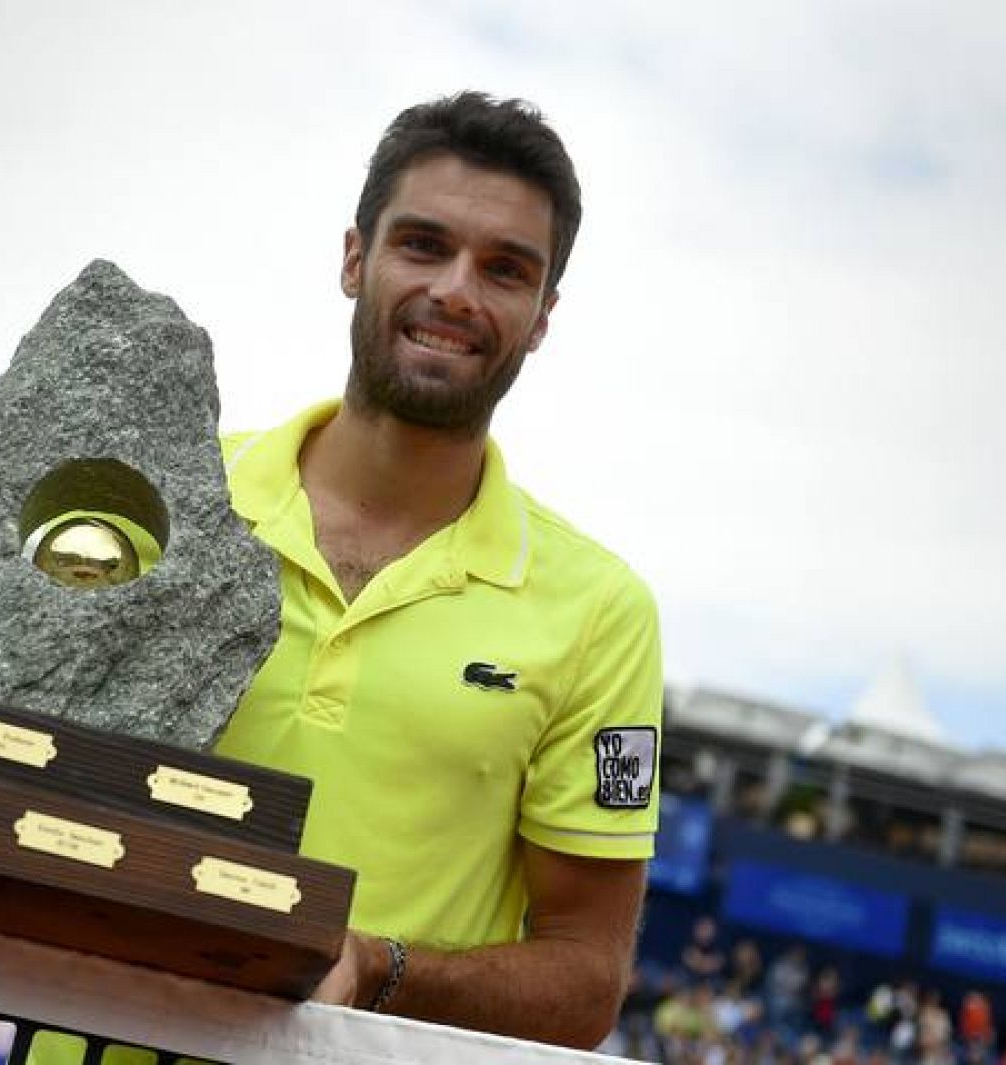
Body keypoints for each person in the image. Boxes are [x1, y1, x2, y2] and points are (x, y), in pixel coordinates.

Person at [213, 92, 662, 1047]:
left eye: (506, 269)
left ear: (542, 315)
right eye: (424, 245)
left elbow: (586, 983)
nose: (458, 291)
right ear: (353, 258)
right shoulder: (175, 491)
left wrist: (377, 966)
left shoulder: (601, 611)